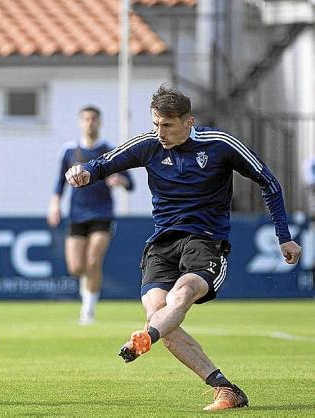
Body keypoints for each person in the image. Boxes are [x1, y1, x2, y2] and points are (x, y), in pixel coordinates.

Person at [65, 84, 301, 411]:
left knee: (179, 298)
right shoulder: (148, 145)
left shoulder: (220, 144)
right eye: (156, 124)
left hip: (205, 240)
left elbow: (268, 181)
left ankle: (146, 338)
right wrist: (83, 171)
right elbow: (104, 163)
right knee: (159, 312)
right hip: (161, 243)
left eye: (168, 125)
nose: (159, 132)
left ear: (188, 122)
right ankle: (224, 388)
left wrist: (283, 235)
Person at [48, 106, 134, 325]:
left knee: (93, 262)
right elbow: (59, 183)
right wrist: (54, 205)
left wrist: (120, 181)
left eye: (94, 119)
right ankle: (86, 285)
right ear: (80, 122)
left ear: (100, 122)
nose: (90, 123)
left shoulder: (109, 151)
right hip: (77, 215)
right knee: (76, 268)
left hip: (102, 213)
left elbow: (130, 182)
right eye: (86, 119)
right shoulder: (69, 151)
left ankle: (88, 311)